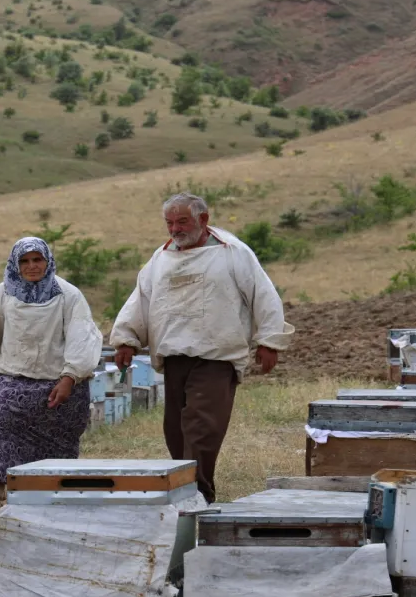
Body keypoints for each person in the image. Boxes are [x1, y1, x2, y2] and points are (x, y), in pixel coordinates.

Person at [109, 192, 293, 504]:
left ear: (203, 219)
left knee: (201, 427)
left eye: (182, 221)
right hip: (174, 358)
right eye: (169, 223)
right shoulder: (160, 258)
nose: (175, 229)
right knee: (175, 431)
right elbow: (141, 299)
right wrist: (126, 339)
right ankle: (182, 492)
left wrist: (269, 340)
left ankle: (198, 496)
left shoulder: (233, 253)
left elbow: (262, 293)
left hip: (216, 357)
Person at [0, 237, 103, 507]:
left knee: (57, 433)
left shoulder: (68, 295)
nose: (31, 266)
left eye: (37, 259)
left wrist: (69, 377)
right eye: (24, 261)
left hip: (58, 382)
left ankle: (52, 490)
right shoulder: (2, 293)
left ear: (47, 261)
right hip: (12, 379)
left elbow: (82, 337)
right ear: (15, 264)